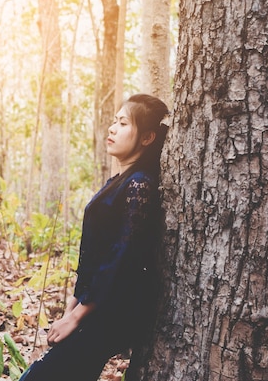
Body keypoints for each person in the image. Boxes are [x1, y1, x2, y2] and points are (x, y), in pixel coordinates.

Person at [19, 93, 170, 381]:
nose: (112, 128)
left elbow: (122, 257)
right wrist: (71, 309)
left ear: (147, 138)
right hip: (94, 308)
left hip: (111, 313)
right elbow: (92, 255)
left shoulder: (139, 185)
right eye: (114, 121)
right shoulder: (120, 181)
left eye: (123, 123)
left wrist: (77, 316)